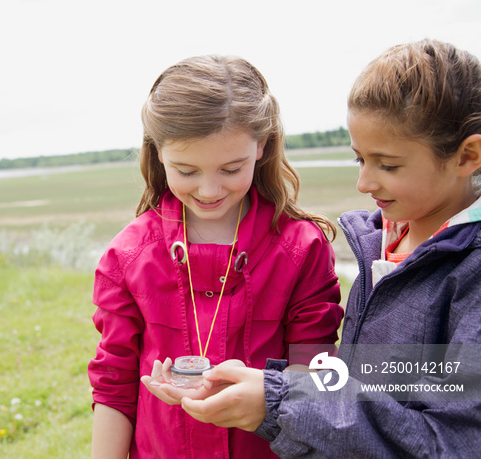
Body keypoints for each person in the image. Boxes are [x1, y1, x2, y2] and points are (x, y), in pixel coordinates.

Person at [146, 39, 481, 457]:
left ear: (469, 155)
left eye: (388, 165)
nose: (364, 184)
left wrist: (279, 401)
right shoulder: (384, 245)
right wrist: (270, 388)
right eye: (360, 160)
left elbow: (454, 443)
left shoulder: (471, 276)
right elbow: (368, 385)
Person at [87, 55, 344, 458]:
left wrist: (264, 397)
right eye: (187, 171)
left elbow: (312, 370)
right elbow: (113, 385)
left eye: (231, 168)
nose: (209, 190)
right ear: (157, 154)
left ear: (262, 146)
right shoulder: (127, 256)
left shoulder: (302, 249)